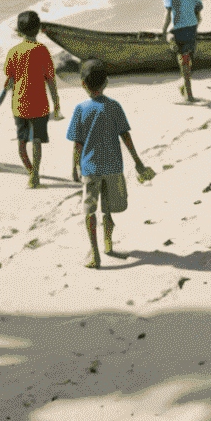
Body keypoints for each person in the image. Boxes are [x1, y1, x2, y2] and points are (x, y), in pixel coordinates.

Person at [68, 59, 152, 269]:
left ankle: (94, 253)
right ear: (106, 83)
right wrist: (138, 162)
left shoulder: (81, 109)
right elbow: (126, 137)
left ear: (82, 84)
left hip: (91, 168)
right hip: (113, 166)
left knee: (89, 209)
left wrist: (74, 167)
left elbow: (77, 144)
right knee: (107, 210)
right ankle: (108, 244)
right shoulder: (114, 106)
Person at [0, 11, 63, 187]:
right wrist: (57, 103)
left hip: (19, 105)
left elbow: (10, 78)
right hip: (39, 104)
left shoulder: (13, 52)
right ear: (38, 29)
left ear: (19, 31)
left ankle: (31, 172)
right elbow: (50, 80)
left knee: (22, 143)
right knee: (37, 141)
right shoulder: (43, 51)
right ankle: (35, 174)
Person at [159, 0, 203, 102]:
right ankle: (185, 87)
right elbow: (198, 14)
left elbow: (167, 16)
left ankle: (188, 95)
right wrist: (194, 27)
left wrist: (164, 31)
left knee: (182, 60)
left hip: (179, 31)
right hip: (191, 29)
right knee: (186, 59)